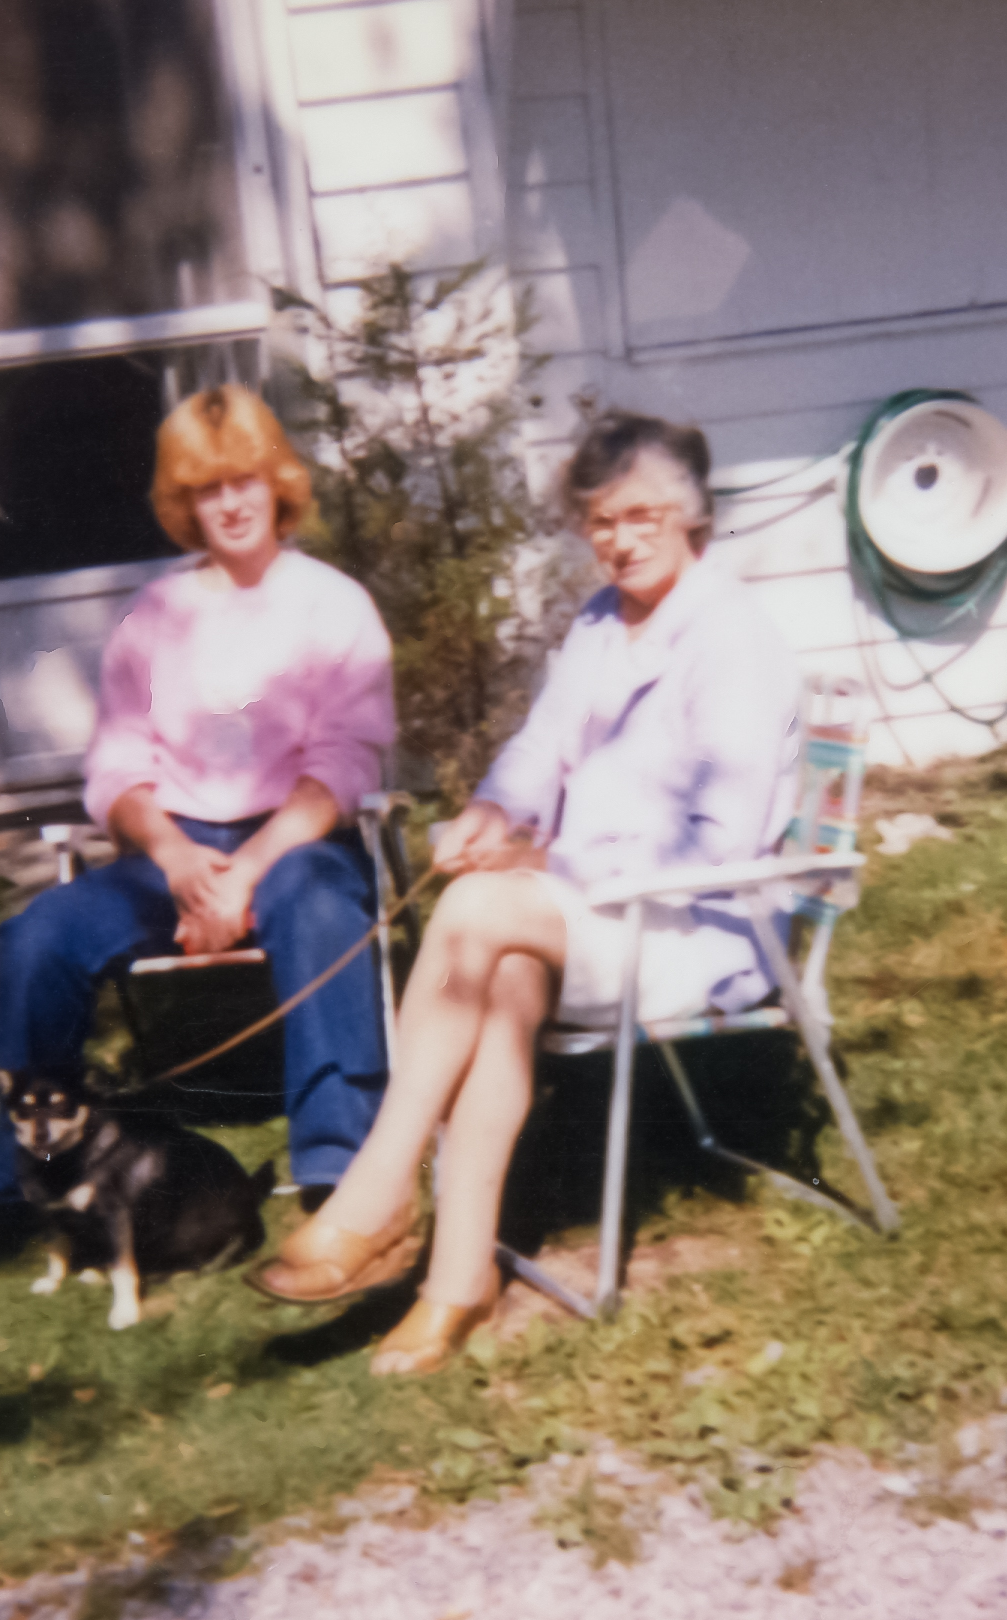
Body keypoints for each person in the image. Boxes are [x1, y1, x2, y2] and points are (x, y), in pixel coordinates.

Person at [252, 410, 803, 1375]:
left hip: (697, 924)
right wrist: (490, 813)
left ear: (689, 515)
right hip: (594, 914)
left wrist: (548, 867)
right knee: (499, 974)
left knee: (476, 911)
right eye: (599, 520)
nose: (618, 540)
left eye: (639, 515)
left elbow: (719, 841)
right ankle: (455, 1284)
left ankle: (376, 1193)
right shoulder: (601, 621)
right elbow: (540, 748)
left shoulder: (733, 640)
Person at [0, 384, 396, 1228]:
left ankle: (334, 1164)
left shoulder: (333, 605)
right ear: (181, 502)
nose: (229, 504)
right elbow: (118, 763)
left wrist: (245, 874)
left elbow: (341, 763)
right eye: (205, 487)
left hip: (296, 842)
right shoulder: (154, 616)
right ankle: (12, 1177)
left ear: (278, 483)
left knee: (319, 908)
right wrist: (172, 856)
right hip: (175, 848)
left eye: (242, 480)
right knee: (36, 935)